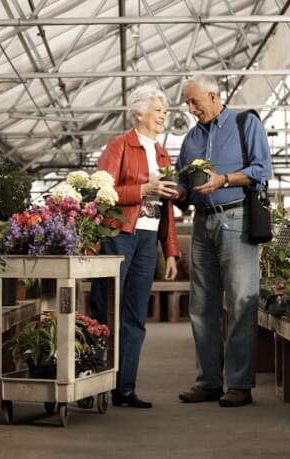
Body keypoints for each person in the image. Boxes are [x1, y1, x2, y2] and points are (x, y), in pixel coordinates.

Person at [175, 75, 272, 407]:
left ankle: (240, 385)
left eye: (194, 102)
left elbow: (262, 169)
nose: (190, 109)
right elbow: (183, 184)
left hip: (237, 217)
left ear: (214, 96)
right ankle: (209, 382)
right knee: (202, 306)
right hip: (201, 223)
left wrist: (224, 179)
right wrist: (176, 190)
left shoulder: (246, 124)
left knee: (242, 302)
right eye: (187, 103)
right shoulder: (190, 139)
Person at [90, 84, 180, 408]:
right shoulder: (119, 146)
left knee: (135, 316)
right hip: (119, 234)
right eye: (158, 110)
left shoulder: (163, 153)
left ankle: (124, 387)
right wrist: (143, 189)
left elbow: (167, 207)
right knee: (105, 310)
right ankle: (93, 381)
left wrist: (170, 251)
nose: (163, 116)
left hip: (147, 238)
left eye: (165, 112)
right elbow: (103, 194)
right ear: (139, 112)